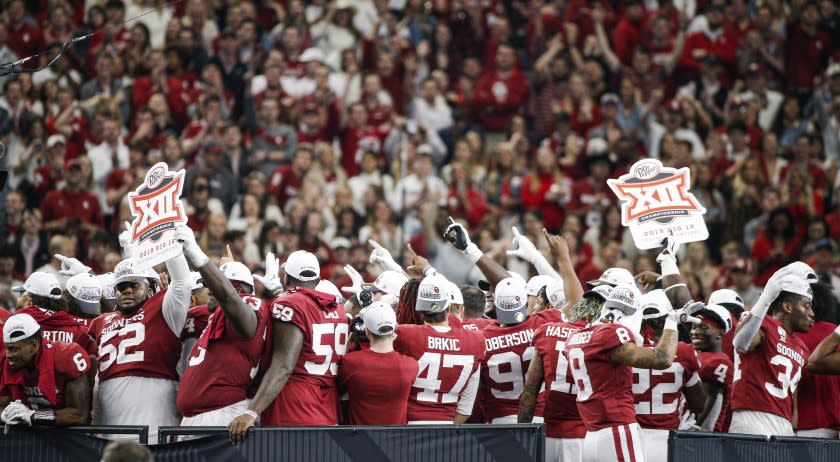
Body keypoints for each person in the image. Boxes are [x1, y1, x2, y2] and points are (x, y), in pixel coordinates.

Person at [563, 283, 701, 462]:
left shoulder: (575, 337)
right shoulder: (611, 334)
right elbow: (662, 358)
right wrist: (672, 321)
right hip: (617, 430)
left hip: (591, 434)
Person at [87, 224, 192, 442]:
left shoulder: (163, 309)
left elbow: (182, 282)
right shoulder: (101, 321)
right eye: (121, 286)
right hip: (109, 422)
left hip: (154, 418)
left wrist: (169, 238)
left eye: (133, 285)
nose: (126, 290)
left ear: (152, 288)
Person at [228, 250, 347, 442]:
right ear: (317, 279)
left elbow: (283, 367)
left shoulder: (289, 304)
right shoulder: (337, 308)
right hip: (327, 408)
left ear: (285, 277)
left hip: (294, 406)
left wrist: (251, 412)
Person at [175, 225, 271, 427]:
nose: (209, 289)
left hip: (222, 414)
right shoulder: (212, 314)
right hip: (198, 415)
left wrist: (197, 254)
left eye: (214, 284)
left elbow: (230, 299)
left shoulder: (248, 307)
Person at [730, 267, 814, 436]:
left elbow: (792, 397)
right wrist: (766, 299)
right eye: (806, 306)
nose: (812, 313)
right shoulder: (761, 322)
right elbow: (741, 342)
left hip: (784, 422)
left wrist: (793, 429)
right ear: (788, 307)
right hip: (752, 415)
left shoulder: (802, 347)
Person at [393, 273, 486, 424]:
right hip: (447, 426)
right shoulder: (476, 340)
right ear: (448, 307)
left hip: (410, 425)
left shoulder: (405, 334)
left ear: (419, 308)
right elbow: (466, 407)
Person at [520, 288, 597, 462]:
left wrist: (522, 430)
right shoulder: (601, 337)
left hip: (550, 431)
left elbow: (530, 389)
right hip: (585, 435)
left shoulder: (547, 331)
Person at [632, 291, 706, 462]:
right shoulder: (683, 351)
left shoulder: (627, 348)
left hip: (631, 435)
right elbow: (699, 403)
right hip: (667, 439)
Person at [481, 275, 563, 423]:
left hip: (498, 421)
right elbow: (573, 303)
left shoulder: (483, 335)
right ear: (525, 303)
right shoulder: (543, 322)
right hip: (538, 417)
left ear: (496, 306)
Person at [0, 313, 90, 426]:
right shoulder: (9, 361)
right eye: (7, 348)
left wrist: (33, 415)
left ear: (34, 346)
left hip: (63, 437)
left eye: (14, 349)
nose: (8, 355)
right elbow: (2, 404)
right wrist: (5, 415)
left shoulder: (64, 357)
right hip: (28, 437)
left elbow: (79, 415)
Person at [338, 301, 419, 425]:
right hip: (396, 440)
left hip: (357, 439)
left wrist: (345, 346)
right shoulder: (411, 365)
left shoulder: (350, 362)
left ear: (367, 331)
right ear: (396, 327)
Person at [12, 272, 91, 352]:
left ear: (29, 302)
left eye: (21, 295)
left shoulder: (16, 328)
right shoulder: (80, 331)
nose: (18, 299)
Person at [691, 304, 735, 432]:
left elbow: (705, 405)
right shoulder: (696, 355)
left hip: (702, 438)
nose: (696, 332)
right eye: (694, 327)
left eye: (703, 327)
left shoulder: (718, 362)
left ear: (720, 333)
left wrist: (691, 432)